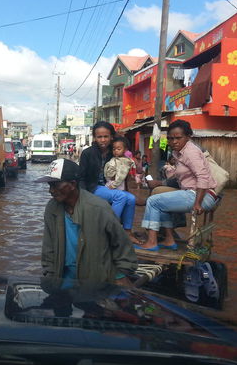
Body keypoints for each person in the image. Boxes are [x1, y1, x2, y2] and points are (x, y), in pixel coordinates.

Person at [36, 159, 138, 287]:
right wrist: (49, 274)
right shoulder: (52, 208)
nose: (51, 191)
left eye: (55, 185)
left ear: (72, 184)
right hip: (63, 277)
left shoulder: (98, 208)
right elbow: (48, 246)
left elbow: (121, 243)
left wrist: (119, 275)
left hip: (94, 279)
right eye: (49, 186)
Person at [136, 120, 218, 251]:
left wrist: (197, 203)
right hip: (192, 193)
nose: (174, 142)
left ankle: (152, 242)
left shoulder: (190, 152)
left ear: (188, 137)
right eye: (170, 138)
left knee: (153, 202)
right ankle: (169, 239)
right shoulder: (179, 152)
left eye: (178, 138)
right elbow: (178, 177)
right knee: (159, 196)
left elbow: (203, 177)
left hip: (202, 196)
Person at [79, 121, 140, 244]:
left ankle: (127, 232)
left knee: (131, 199)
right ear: (95, 138)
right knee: (120, 196)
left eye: (106, 136)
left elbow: (129, 165)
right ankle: (110, 230)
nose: (103, 140)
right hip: (94, 187)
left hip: (109, 187)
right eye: (99, 137)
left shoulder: (116, 151)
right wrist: (83, 197)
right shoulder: (88, 153)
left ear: (111, 137)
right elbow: (81, 177)